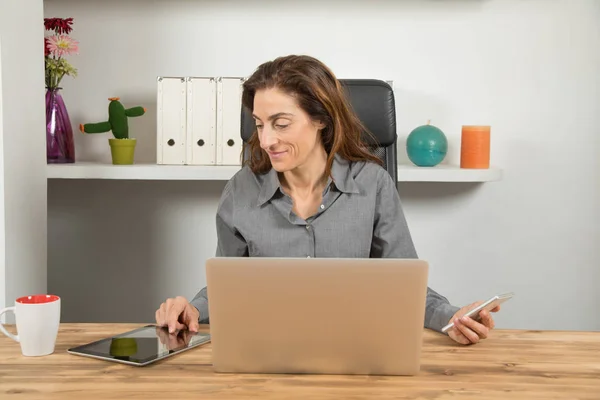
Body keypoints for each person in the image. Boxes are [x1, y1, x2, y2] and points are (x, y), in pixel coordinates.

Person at [155, 54, 500, 345]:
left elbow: (404, 285)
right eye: (259, 125)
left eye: (281, 123)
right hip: (268, 354)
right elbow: (227, 285)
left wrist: (451, 317)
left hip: (358, 349)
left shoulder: (373, 185)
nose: (266, 140)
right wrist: (194, 309)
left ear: (321, 119)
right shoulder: (240, 191)